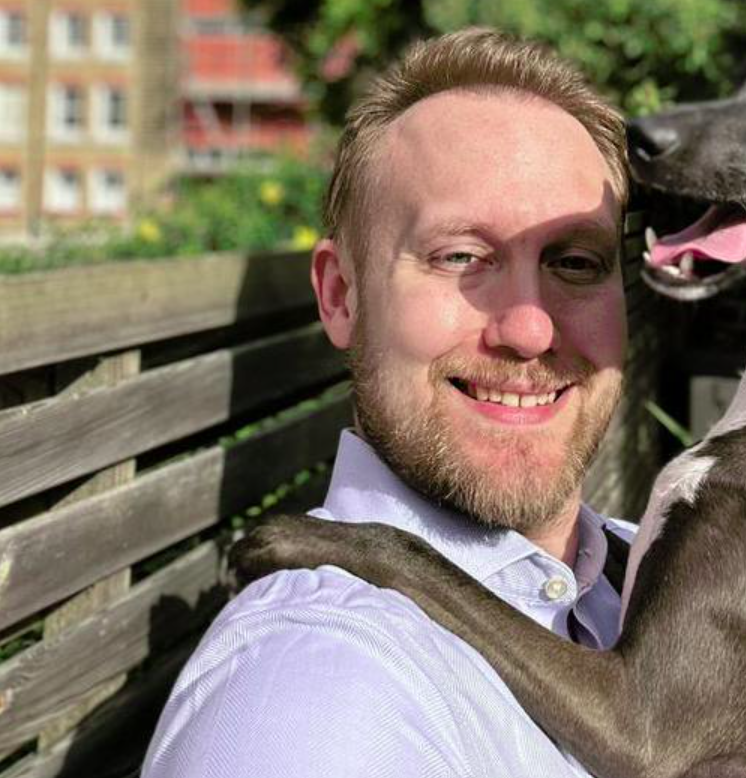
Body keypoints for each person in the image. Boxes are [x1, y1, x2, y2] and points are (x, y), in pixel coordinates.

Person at [141, 27, 634, 778]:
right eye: (462, 257)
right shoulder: (316, 701)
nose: (530, 329)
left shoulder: (649, 572)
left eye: (575, 261)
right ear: (342, 296)